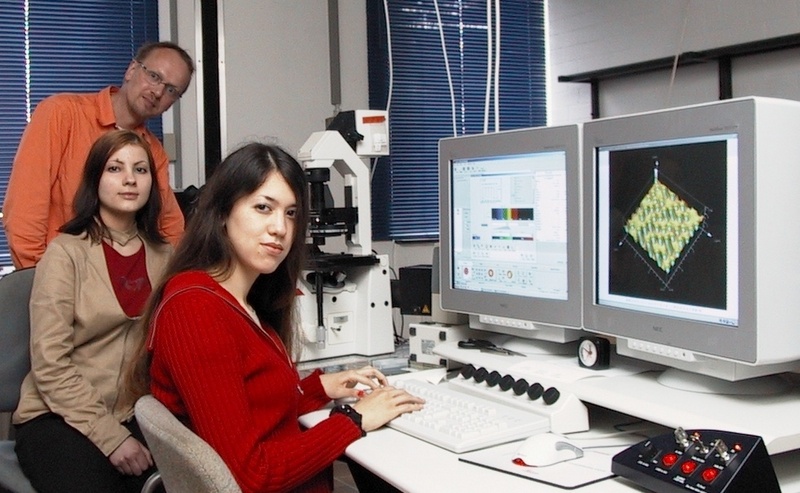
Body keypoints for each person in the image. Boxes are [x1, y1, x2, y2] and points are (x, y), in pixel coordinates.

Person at [125, 142, 425, 493]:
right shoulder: (195, 311)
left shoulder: (239, 300)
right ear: (223, 212)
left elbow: (252, 411)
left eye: (291, 213)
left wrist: (318, 388)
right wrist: (354, 420)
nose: (279, 228)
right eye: (263, 208)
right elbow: (252, 475)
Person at [13, 130, 173, 493]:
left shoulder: (166, 257)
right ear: (95, 179)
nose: (130, 179)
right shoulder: (65, 253)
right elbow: (50, 364)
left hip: (136, 413)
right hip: (59, 416)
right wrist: (110, 437)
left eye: (141, 169)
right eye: (115, 168)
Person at [3, 41, 194, 269]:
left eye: (171, 90)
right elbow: (24, 214)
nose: (158, 92)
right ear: (132, 70)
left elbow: (169, 227)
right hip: (58, 277)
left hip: (123, 285)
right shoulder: (61, 114)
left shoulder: (153, 151)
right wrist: (44, 280)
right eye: (154, 76)